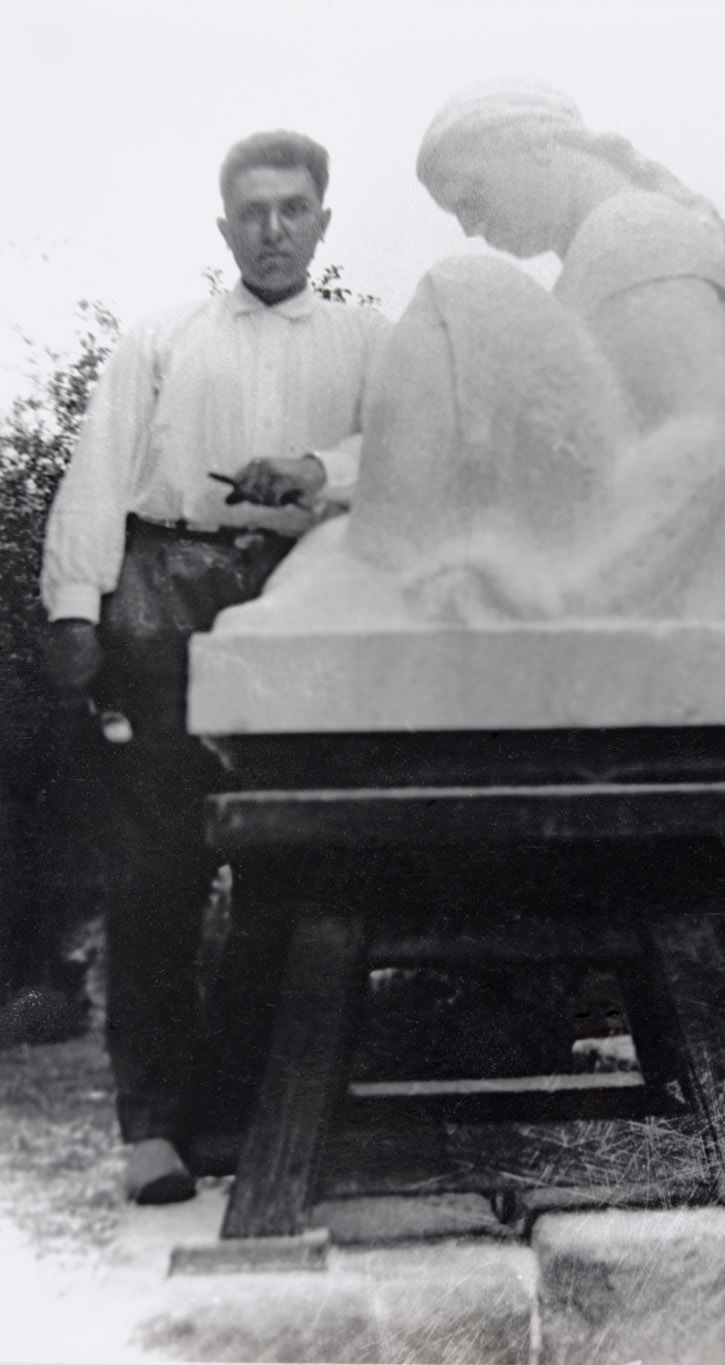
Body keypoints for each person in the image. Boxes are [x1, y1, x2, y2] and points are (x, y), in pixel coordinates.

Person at [40, 129, 390, 1203]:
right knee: (158, 869)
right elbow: (100, 473)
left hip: (308, 597)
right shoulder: (163, 337)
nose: (274, 230)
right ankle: (152, 1124)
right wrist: (72, 605)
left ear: (323, 222)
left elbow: (417, 454)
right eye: (253, 212)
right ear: (224, 225)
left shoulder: (372, 343)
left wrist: (322, 469)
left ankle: (237, 1110)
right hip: (166, 596)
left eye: (294, 210)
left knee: (289, 862)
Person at [227, 80, 725, 631]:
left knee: (459, 285)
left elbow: (701, 433)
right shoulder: (606, 246)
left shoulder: (635, 228)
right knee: (327, 551)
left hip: (601, 568)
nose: (469, 225)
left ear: (536, 145)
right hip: (575, 537)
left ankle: (382, 568)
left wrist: (576, 587)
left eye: (471, 194)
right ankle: (377, 563)